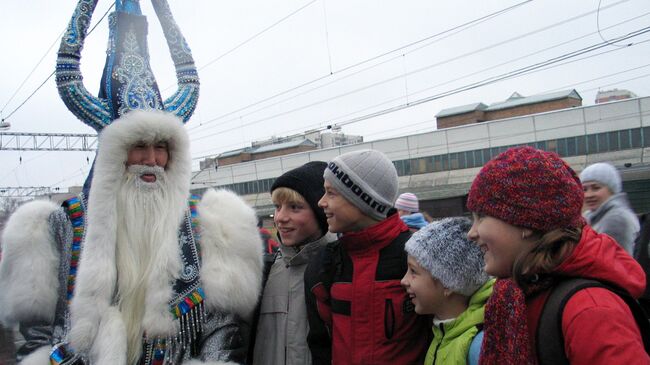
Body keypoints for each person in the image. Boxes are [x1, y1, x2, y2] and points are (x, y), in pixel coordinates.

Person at [0, 110, 263, 364]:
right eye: (139, 145)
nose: (151, 160)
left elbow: (222, 328)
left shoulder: (207, 222)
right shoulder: (63, 223)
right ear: (114, 152)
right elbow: (36, 334)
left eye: (161, 147)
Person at [466, 146, 648, 365]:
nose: (472, 233)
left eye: (482, 217)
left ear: (527, 222)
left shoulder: (591, 311)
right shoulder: (516, 293)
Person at [304, 149, 429, 365]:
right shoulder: (324, 265)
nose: (321, 202)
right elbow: (320, 346)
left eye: (331, 193)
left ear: (362, 200)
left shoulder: (417, 256)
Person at [251, 161, 337, 365]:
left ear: (320, 212)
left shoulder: (340, 267)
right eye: (277, 207)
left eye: (295, 207)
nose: (280, 217)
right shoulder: (265, 272)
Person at [401, 217, 493, 365]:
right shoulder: (442, 332)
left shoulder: (478, 347)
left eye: (413, 271)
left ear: (448, 283)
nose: (403, 281)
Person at [580, 162, 640, 254]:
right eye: (584, 189)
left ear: (612, 189)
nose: (589, 195)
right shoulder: (589, 216)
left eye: (596, 188)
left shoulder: (617, 219)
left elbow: (613, 262)